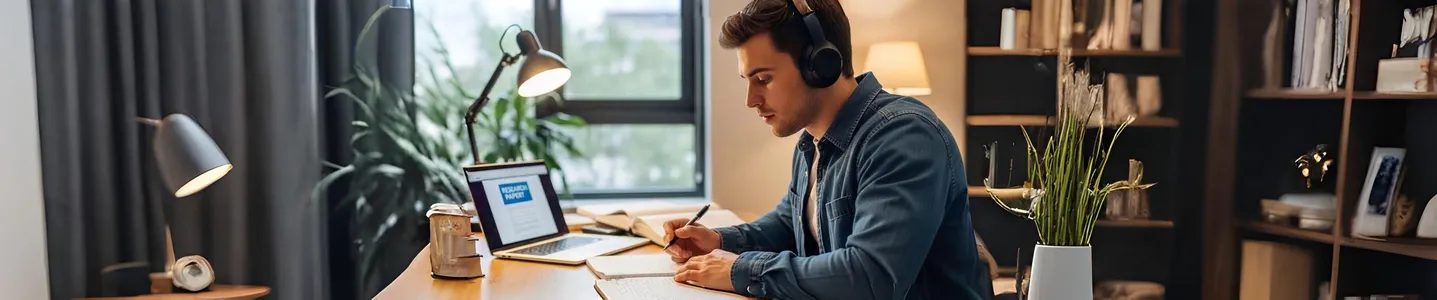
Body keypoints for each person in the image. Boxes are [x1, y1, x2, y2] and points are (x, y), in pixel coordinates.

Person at [661, 0, 988, 299]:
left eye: (763, 79)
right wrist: (719, 242)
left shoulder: (903, 137)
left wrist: (740, 269)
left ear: (820, 63)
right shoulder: (812, 141)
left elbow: (871, 276)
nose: (751, 100)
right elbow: (792, 223)